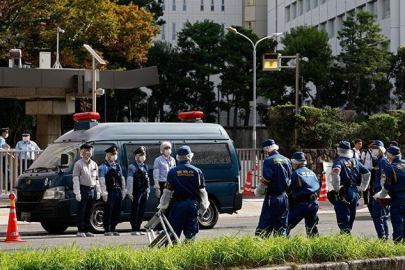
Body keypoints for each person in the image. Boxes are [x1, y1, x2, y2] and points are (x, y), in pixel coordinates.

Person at [157, 146, 209, 242]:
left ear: (177, 157)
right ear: (189, 156)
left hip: (178, 206)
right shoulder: (197, 171)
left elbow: (167, 192)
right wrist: (204, 207)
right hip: (193, 205)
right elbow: (202, 192)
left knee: (173, 232)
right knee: (191, 233)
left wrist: (162, 206)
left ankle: (174, 253)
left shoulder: (172, 172)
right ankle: (188, 253)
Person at [330, 140, 370, 235]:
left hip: (344, 191)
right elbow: (367, 173)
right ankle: (348, 233)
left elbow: (336, 174)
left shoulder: (338, 161)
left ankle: (345, 236)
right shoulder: (355, 161)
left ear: (339, 150)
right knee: (351, 214)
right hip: (354, 192)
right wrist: (363, 187)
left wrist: (336, 189)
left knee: (342, 214)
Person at [254, 139, 291, 237]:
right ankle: (280, 248)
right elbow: (290, 179)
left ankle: (260, 248)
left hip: (273, 197)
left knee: (265, 225)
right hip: (284, 197)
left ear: (266, 150)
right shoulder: (287, 160)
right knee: (281, 225)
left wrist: (258, 191)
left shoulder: (268, 161)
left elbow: (266, 180)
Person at [287, 152, 320, 237]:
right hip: (314, 203)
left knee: (285, 226)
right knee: (312, 228)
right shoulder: (312, 172)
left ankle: (284, 245)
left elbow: (288, 188)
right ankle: (316, 247)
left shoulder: (295, 173)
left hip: (301, 204)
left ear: (295, 162)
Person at [376, 146, 405, 242]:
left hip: (398, 198)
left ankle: (397, 242)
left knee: (397, 222)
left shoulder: (391, 167)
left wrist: (382, 195)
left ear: (389, 155)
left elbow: (387, 185)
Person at [73, 143, 101, 237]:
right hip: (83, 189)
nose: (89, 152)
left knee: (89, 211)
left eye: (90, 150)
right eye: (87, 150)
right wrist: (77, 192)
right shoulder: (78, 164)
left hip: (92, 189)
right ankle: (80, 230)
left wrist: (98, 190)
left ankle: (87, 229)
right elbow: (76, 179)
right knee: (82, 211)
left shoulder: (94, 164)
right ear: (82, 152)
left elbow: (96, 178)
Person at [99, 145, 126, 236]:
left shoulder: (118, 166)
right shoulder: (103, 167)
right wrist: (104, 192)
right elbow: (101, 180)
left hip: (117, 190)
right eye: (113, 154)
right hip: (109, 191)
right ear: (108, 155)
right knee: (108, 211)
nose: (114, 156)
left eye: (115, 154)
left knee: (117, 210)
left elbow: (122, 179)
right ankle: (107, 229)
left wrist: (123, 190)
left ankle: (114, 228)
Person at [127, 146, 150, 235]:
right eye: (141, 155)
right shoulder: (132, 167)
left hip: (144, 191)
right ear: (137, 156)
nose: (143, 156)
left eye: (144, 154)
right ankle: (134, 228)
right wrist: (130, 191)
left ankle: (138, 227)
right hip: (136, 191)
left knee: (142, 210)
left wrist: (148, 190)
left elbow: (147, 179)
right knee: (135, 209)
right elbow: (130, 179)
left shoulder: (145, 166)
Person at [370, 140, 390, 240]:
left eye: (375, 148)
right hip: (381, 190)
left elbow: (384, 177)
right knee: (383, 215)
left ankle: (382, 237)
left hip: (380, 190)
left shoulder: (382, 161)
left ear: (380, 149)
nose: (373, 150)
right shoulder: (381, 160)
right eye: (372, 148)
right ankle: (384, 236)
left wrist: (382, 193)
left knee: (378, 215)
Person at [361, 140, 378, 215]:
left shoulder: (375, 153)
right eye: (371, 145)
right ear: (368, 146)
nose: (373, 147)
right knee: (366, 185)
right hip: (366, 170)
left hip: (373, 170)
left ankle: (371, 199)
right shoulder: (364, 152)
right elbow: (361, 161)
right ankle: (365, 200)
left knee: (372, 185)